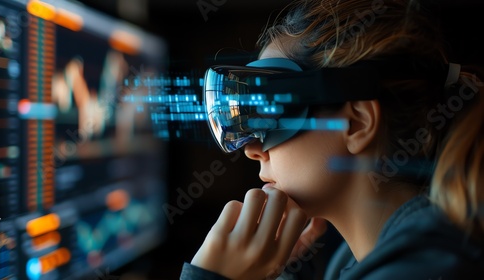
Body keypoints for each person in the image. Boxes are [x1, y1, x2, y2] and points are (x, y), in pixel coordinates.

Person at [180, 0, 484, 279]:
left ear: (356, 124)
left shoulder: (422, 267)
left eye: (271, 114)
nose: (253, 150)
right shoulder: (359, 258)